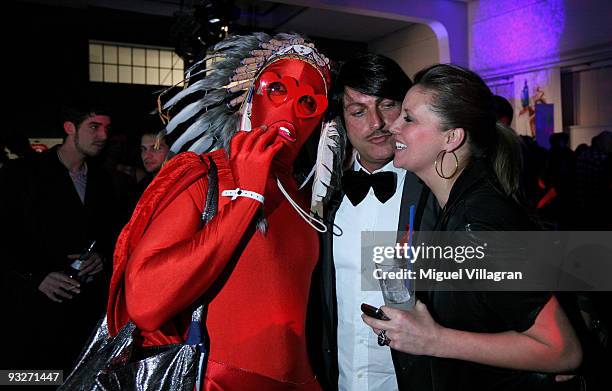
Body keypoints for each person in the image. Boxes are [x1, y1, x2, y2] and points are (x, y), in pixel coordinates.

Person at [106, 33, 337, 390]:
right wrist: (244, 199)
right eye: (278, 90)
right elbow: (145, 304)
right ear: (244, 96)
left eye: (309, 102)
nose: (291, 110)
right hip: (221, 381)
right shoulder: (204, 174)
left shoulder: (304, 198)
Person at [362, 64, 582, 390]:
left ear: (451, 138)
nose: (391, 125)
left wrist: (433, 339)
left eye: (408, 118)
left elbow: (562, 350)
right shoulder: (453, 207)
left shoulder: (478, 225)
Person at [312, 53, 438, 391]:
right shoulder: (322, 196)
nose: (377, 123)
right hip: (339, 378)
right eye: (358, 111)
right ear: (340, 119)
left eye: (388, 105)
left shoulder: (436, 189)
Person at [0, 102, 119, 372]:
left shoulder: (103, 180)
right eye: (94, 127)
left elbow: (113, 233)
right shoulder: (22, 174)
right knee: (28, 378)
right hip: (28, 313)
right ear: (69, 128)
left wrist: (101, 257)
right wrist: (35, 276)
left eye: (106, 128)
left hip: (83, 315)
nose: (103, 135)